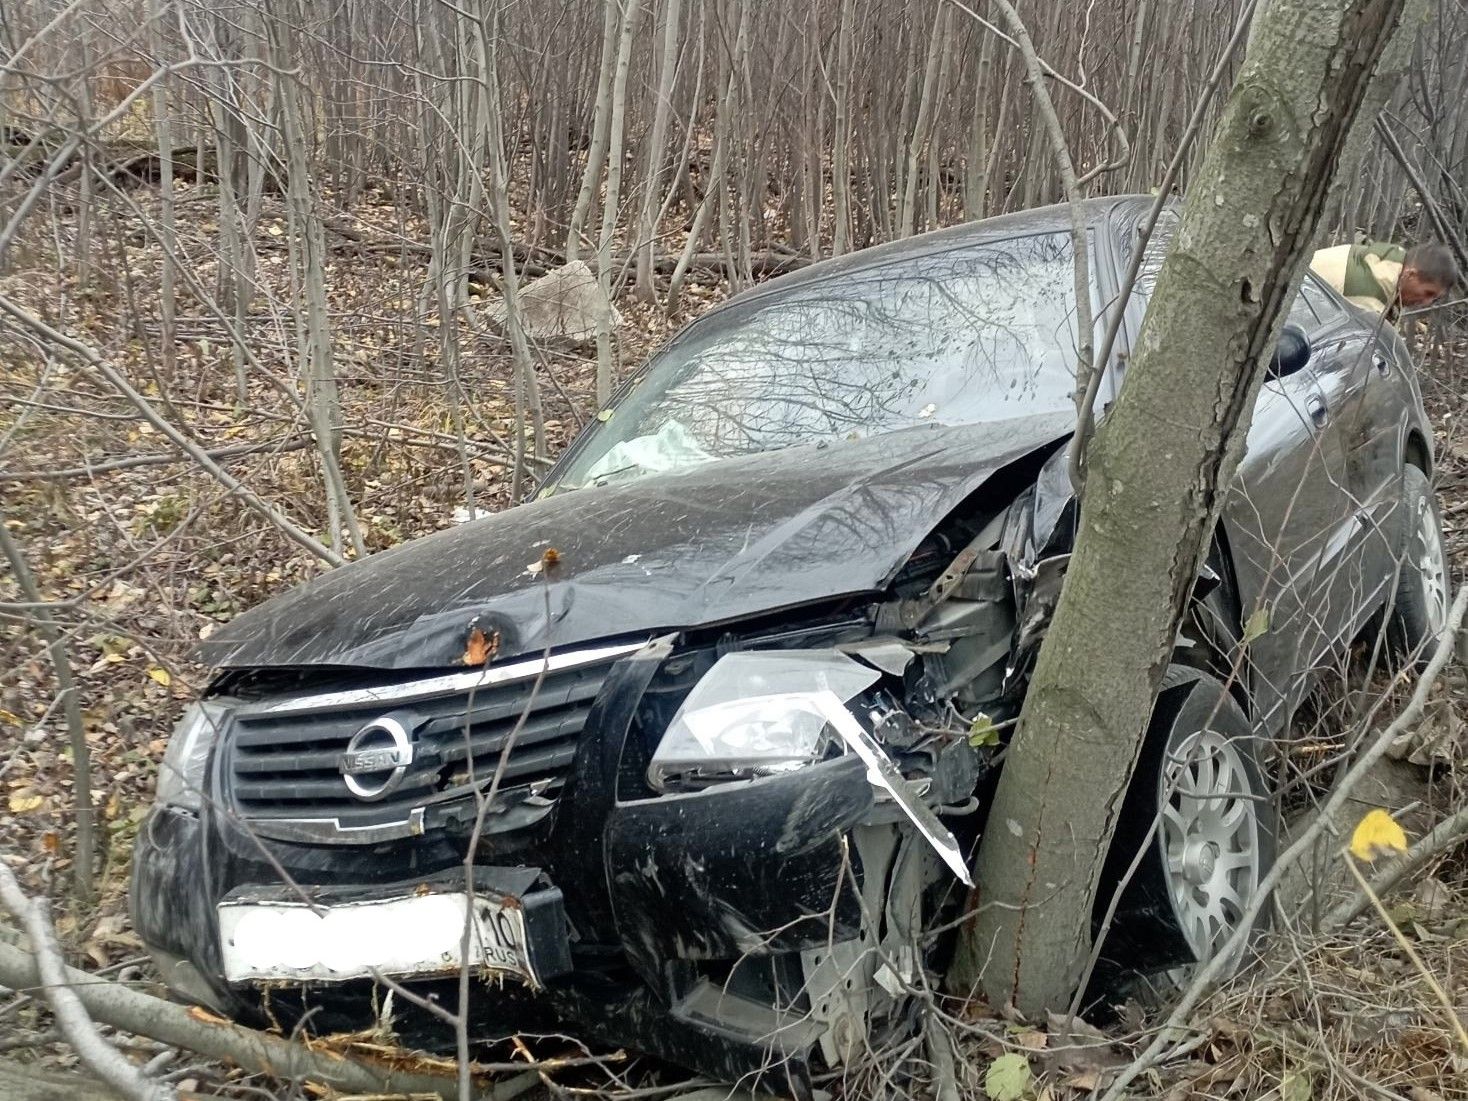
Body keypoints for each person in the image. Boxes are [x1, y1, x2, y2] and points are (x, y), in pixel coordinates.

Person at [1309, 238, 1457, 316]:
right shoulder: (1371, 298)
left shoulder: (1389, 259)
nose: (1426, 303)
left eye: (1434, 299)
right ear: (1410, 274)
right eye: (1428, 293)